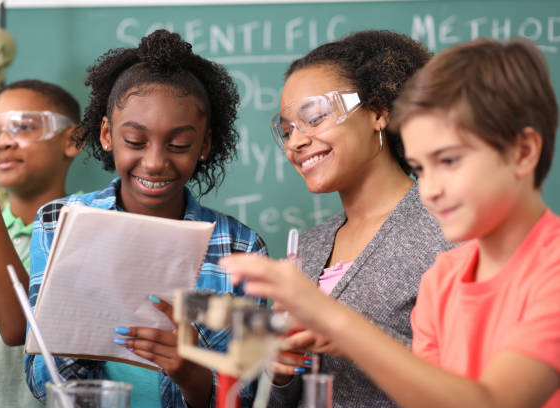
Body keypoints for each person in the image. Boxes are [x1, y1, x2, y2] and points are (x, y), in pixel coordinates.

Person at [221, 37, 560, 407]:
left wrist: (339, 325)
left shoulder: (539, 268)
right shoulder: (444, 276)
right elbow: (431, 393)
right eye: (420, 168)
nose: (429, 189)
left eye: (448, 161)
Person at [24, 30, 268, 408]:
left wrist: (192, 373)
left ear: (204, 146)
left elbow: (251, 391)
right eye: (136, 142)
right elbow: (42, 380)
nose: (154, 162)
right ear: (106, 134)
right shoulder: (59, 221)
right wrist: (83, 327)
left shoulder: (242, 248)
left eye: (179, 145)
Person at [247, 30, 452, 407]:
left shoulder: (447, 230)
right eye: (288, 130)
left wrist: (352, 337)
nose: (295, 142)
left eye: (314, 118)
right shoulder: (307, 249)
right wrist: (278, 372)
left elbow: (472, 384)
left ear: (378, 112)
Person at [0, 79, 82, 407]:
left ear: (73, 139)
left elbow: (20, 330)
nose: (2, 143)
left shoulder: (88, 228)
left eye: (23, 127)